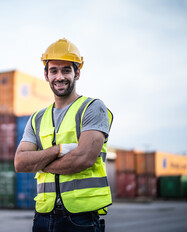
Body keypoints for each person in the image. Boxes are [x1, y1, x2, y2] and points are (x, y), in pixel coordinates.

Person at [14, 38, 113, 232]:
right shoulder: (37, 118)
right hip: (42, 217)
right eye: (54, 70)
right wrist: (59, 150)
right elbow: (20, 163)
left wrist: (40, 163)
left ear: (77, 73)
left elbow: (82, 159)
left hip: (80, 219)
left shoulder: (92, 108)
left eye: (66, 70)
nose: (60, 77)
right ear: (46, 75)